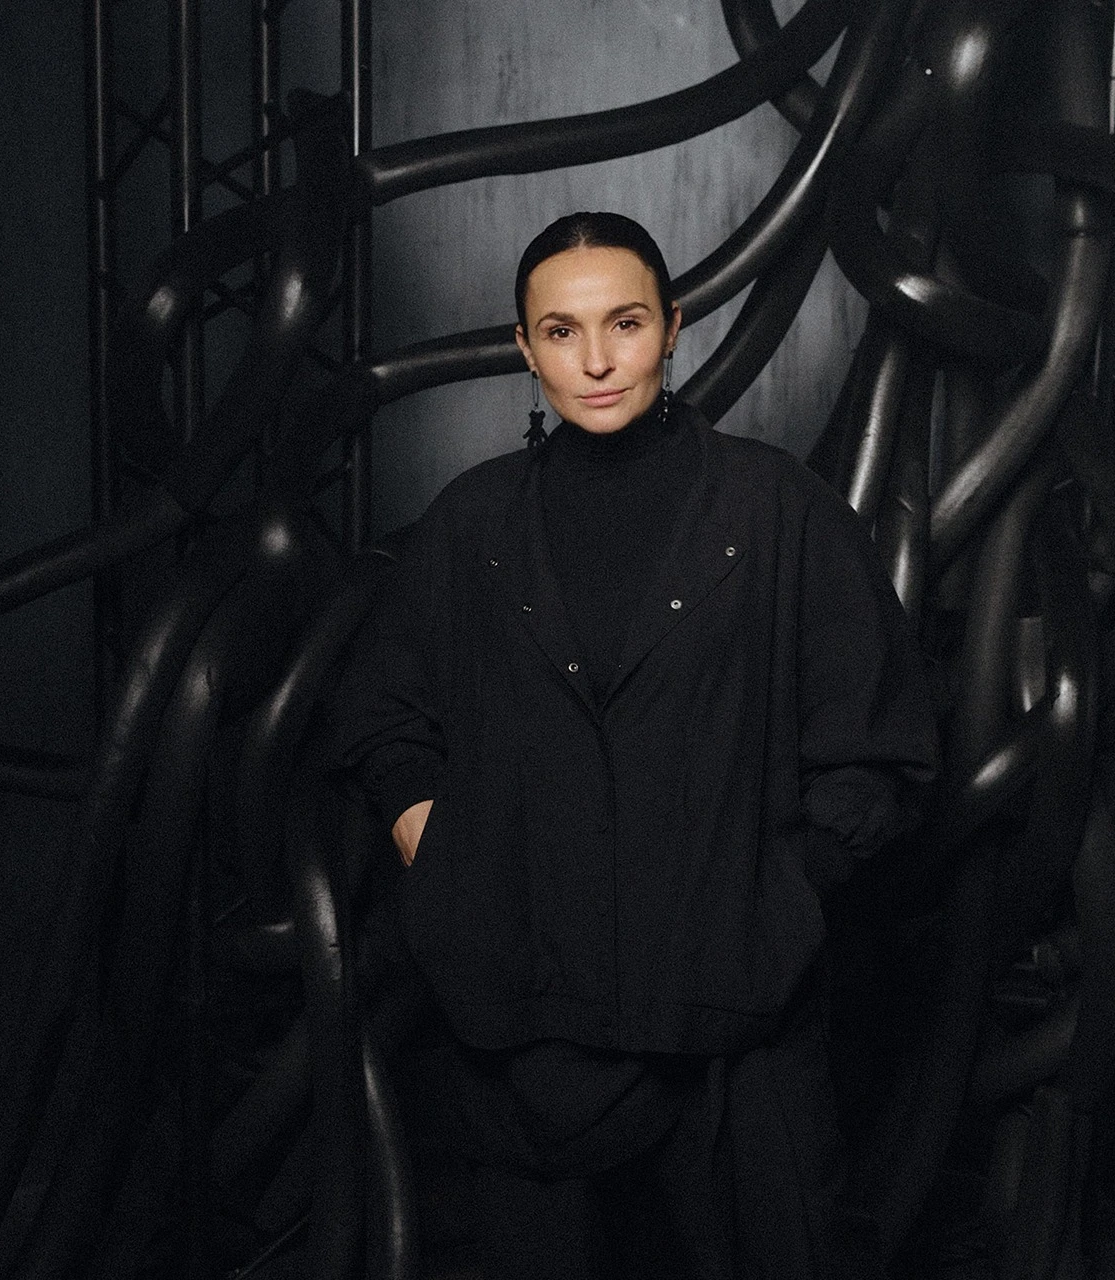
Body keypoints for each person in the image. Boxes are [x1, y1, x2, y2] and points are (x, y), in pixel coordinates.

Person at [330, 211, 937, 1279]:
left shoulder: (776, 507)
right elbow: (385, 714)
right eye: (561, 331)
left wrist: (773, 894)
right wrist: (440, 844)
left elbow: (877, 741)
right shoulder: (474, 523)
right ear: (525, 349)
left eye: (625, 322)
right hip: (525, 1021)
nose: (597, 360)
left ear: (674, 326)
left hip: (737, 1017)